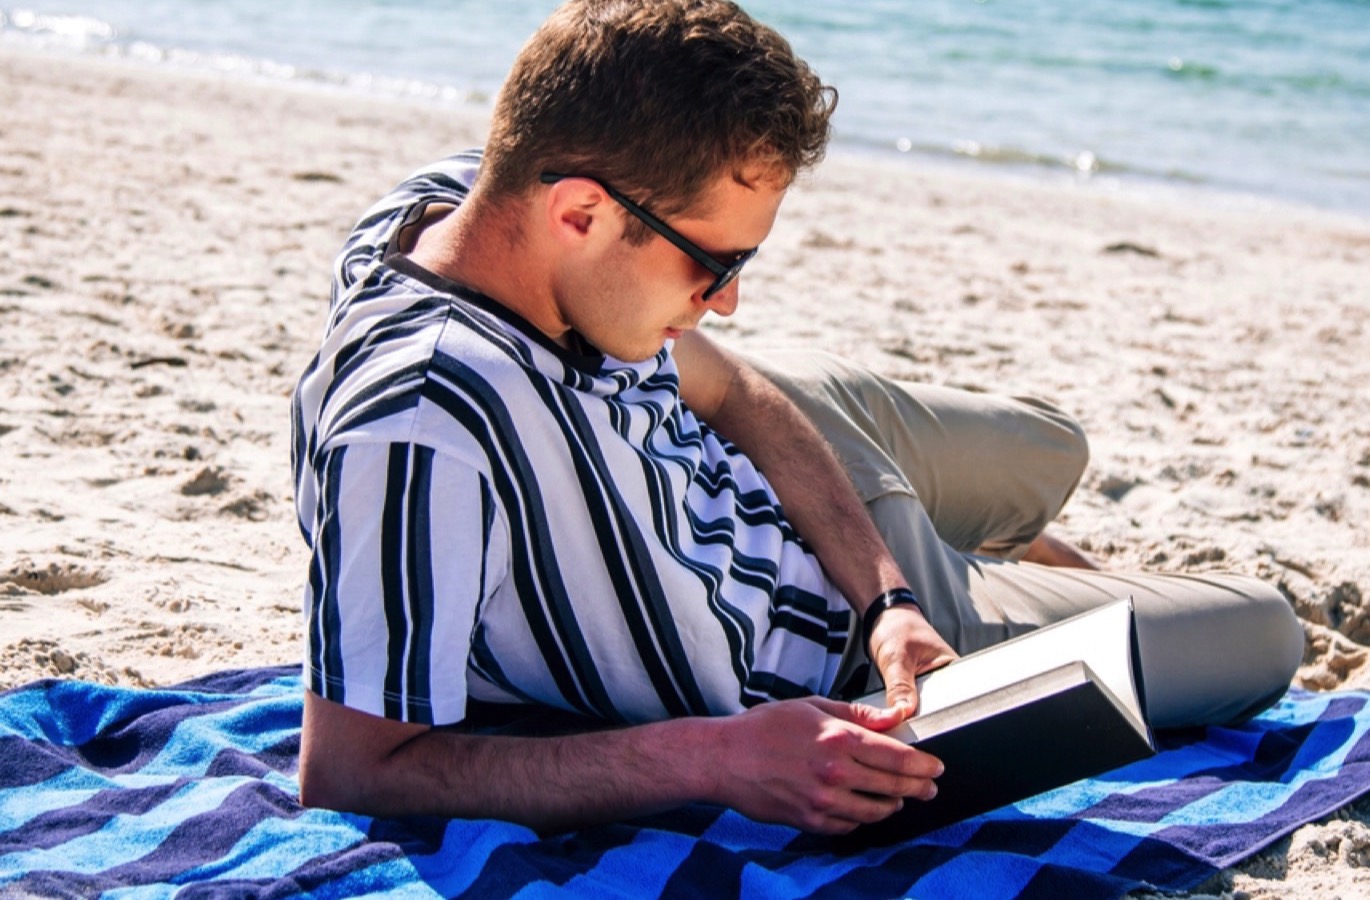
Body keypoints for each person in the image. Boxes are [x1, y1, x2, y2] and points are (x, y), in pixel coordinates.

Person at [291, 0, 1303, 836]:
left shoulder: (473, 206)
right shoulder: (423, 425)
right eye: (712, 263)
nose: (726, 300)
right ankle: (986, 580)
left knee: (1053, 445)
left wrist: (888, 598)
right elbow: (353, 769)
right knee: (1262, 634)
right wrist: (721, 754)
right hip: (821, 637)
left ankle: (990, 556)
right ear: (579, 214)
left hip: (800, 452)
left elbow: (731, 389)